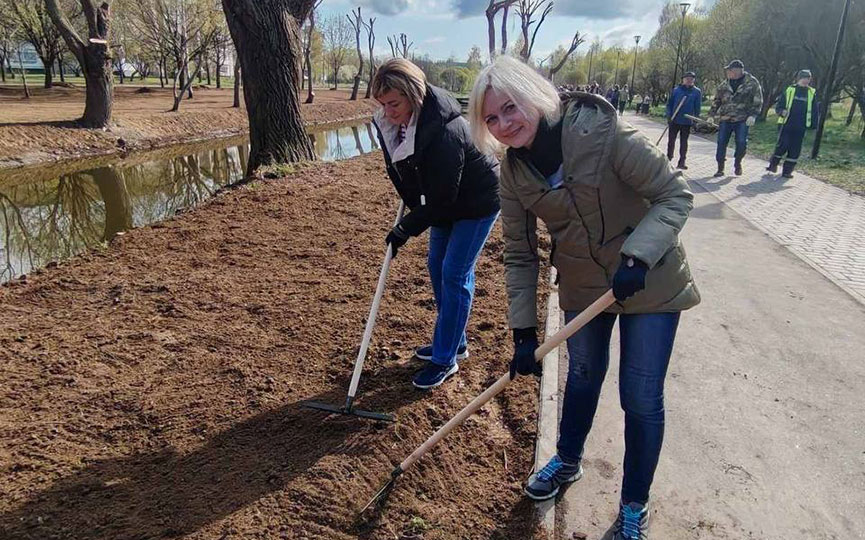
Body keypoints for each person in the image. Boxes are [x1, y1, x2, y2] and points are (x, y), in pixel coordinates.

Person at [468, 55, 700, 540]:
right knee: (583, 377)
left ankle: (634, 504)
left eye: (511, 107)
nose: (504, 124)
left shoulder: (601, 132)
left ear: (532, 95)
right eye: (492, 118)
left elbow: (674, 194)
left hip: (650, 281)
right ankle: (567, 461)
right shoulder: (513, 173)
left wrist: (638, 257)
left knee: (639, 395)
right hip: (582, 285)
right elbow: (519, 253)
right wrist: (523, 331)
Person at [371, 58, 501, 389]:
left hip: (477, 202)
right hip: (445, 201)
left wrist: (405, 228)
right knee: (435, 265)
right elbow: (408, 169)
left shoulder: (444, 130)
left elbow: (443, 196)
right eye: (383, 104)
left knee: (455, 273)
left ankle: (446, 359)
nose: (388, 112)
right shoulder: (404, 122)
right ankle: (453, 339)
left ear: (412, 94)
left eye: (394, 103)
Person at [707, 59, 764, 177]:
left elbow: (758, 100)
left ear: (738, 71)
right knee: (721, 143)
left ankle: (738, 163)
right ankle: (720, 168)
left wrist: (753, 115)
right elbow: (717, 100)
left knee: (741, 143)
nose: (728, 73)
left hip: (742, 119)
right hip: (725, 119)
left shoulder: (752, 83)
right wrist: (711, 115)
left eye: (730, 70)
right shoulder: (724, 85)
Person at [768, 69, 819, 178]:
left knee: (795, 149)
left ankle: (787, 171)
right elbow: (779, 106)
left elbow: (814, 110)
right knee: (783, 145)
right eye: (804, 78)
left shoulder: (811, 93)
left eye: (808, 78)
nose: (806, 80)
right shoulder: (790, 90)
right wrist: (782, 111)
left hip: (801, 126)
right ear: (799, 78)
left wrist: (814, 125)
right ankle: (773, 164)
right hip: (786, 124)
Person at [665, 72, 703, 169]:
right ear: (683, 79)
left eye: (691, 79)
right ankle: (668, 158)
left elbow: (697, 107)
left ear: (693, 80)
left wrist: (695, 120)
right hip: (674, 119)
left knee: (684, 142)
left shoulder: (696, 92)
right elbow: (669, 104)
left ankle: (682, 162)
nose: (689, 80)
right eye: (687, 78)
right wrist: (669, 116)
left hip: (687, 121)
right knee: (671, 140)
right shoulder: (676, 90)